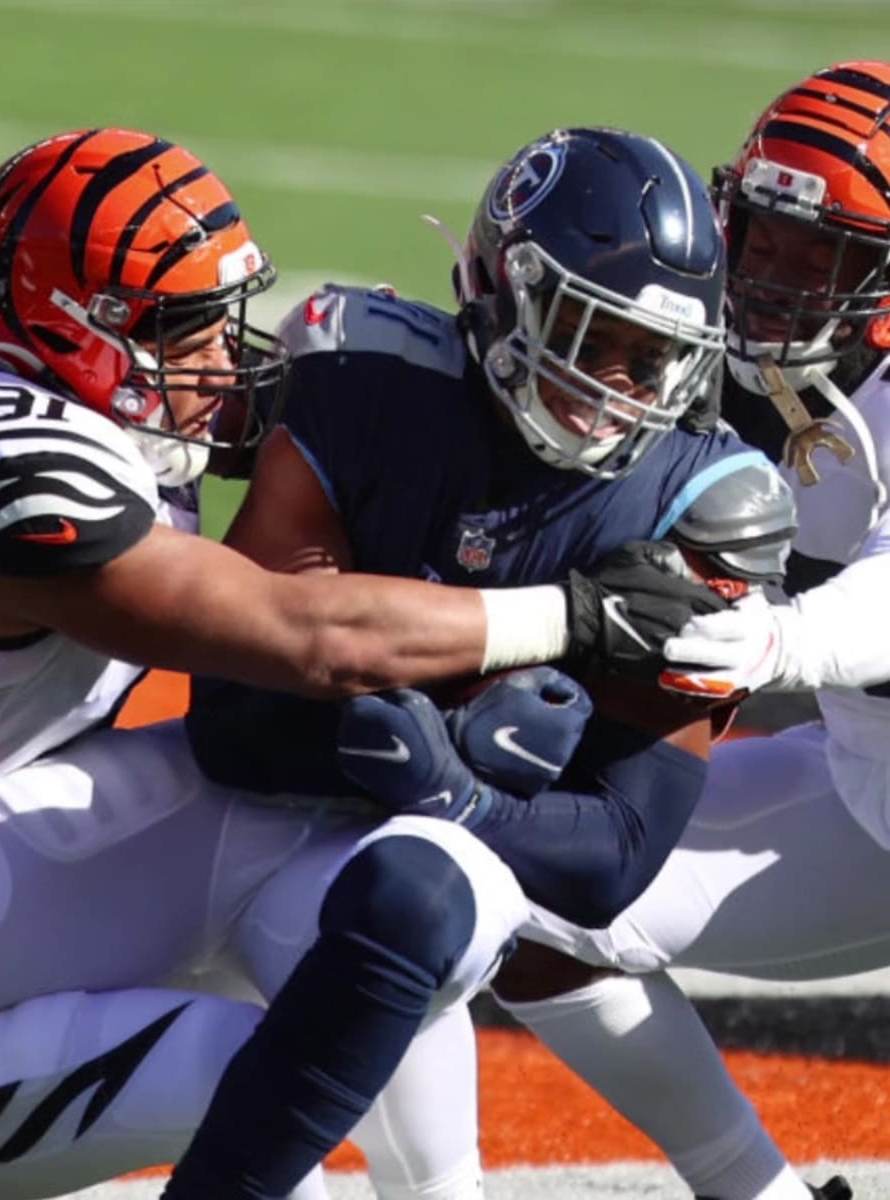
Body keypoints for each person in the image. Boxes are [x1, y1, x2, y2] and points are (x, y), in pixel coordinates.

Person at [0, 126, 736, 1199]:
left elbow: (321, 419)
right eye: (181, 330)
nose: (221, 359)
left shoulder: (24, 358)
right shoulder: (9, 464)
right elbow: (307, 636)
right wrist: (570, 614)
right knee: (247, 1068)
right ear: (76, 333)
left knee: (379, 902)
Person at [162, 124, 796, 1200]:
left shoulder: (706, 501)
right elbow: (233, 712)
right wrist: (462, 729)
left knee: (412, 890)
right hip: (263, 820)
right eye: (589, 335)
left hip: (446, 870)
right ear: (501, 290)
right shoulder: (367, 387)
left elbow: (613, 859)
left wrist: (451, 786)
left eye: (651, 358)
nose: (617, 386)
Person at [483, 60, 890, 1200]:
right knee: (526, 904)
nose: (776, 280)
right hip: (881, 787)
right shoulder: (717, 350)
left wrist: (779, 642)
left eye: (826, 256)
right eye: (764, 236)